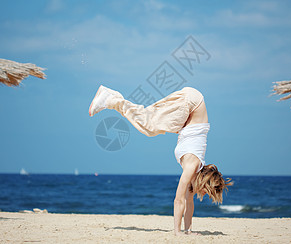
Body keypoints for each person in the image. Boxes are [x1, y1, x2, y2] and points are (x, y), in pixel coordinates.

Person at [89, 85, 232, 236]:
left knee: (149, 118)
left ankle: (113, 97)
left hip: (192, 104)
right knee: (149, 125)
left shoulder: (193, 172)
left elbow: (189, 204)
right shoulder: (192, 166)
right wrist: (177, 232)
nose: (203, 195)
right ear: (205, 183)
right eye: (206, 192)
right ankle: (110, 99)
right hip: (193, 103)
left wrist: (188, 231)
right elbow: (179, 200)